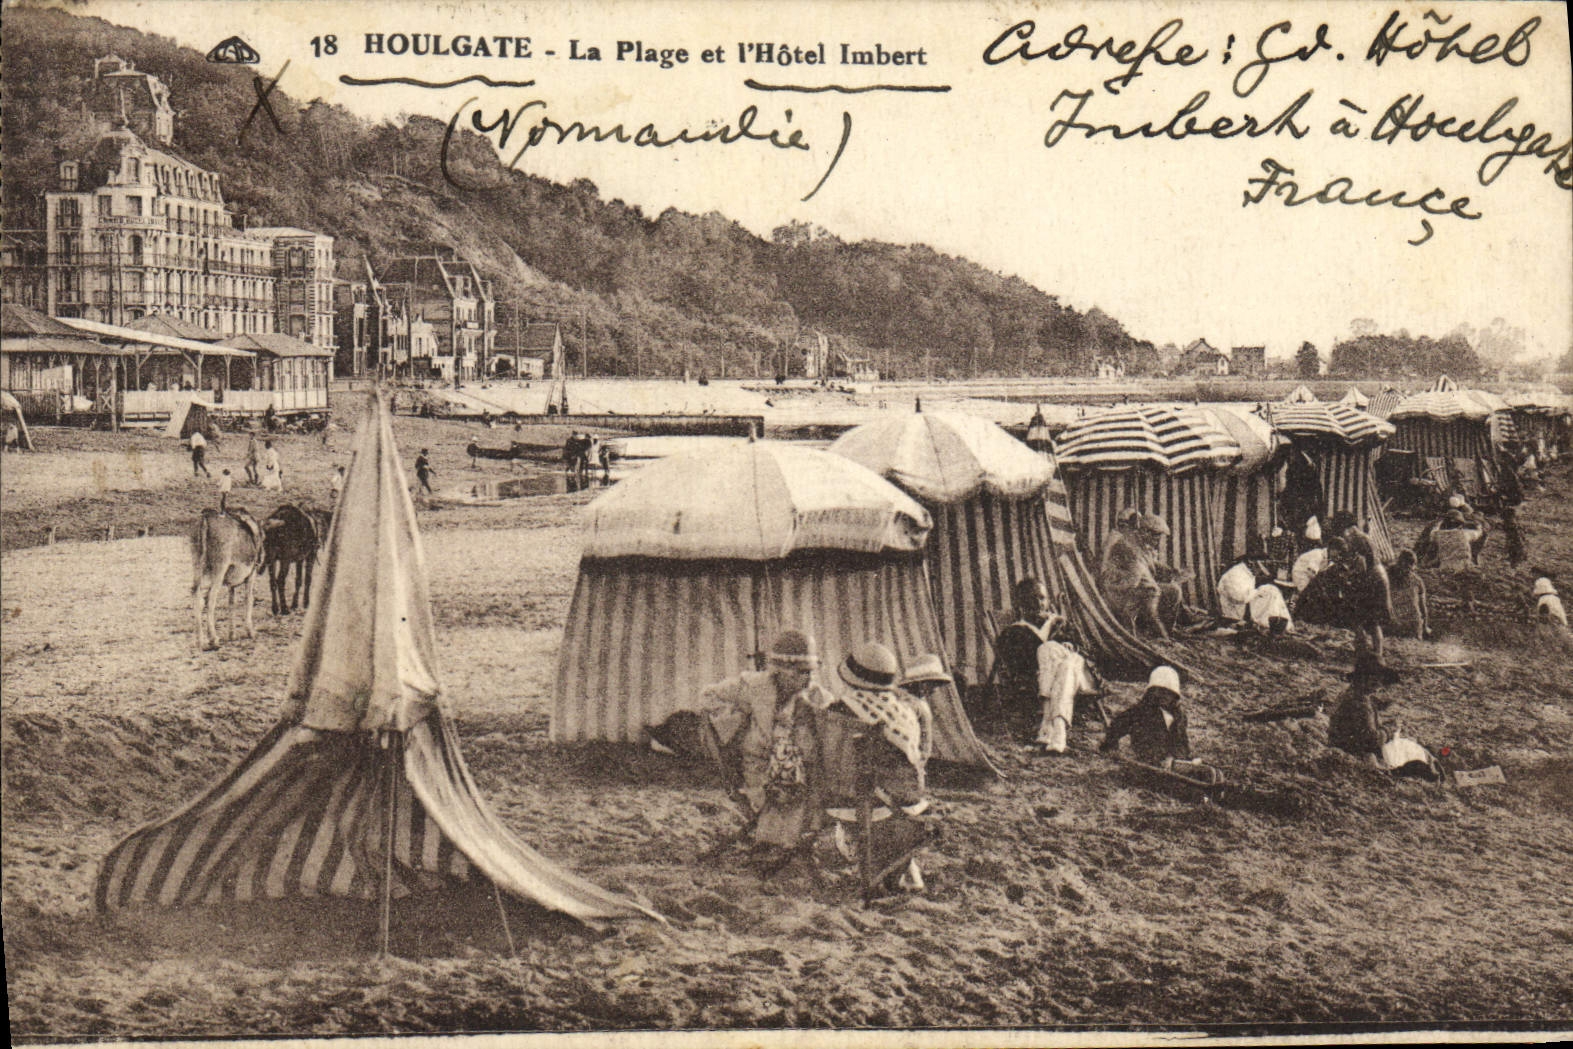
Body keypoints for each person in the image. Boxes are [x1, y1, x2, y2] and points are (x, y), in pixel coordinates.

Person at [701, 630, 833, 857]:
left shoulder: (816, 696)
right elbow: (708, 696)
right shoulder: (754, 686)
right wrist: (736, 720)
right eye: (801, 672)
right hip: (759, 767)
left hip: (801, 769)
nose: (808, 678)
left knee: (813, 789)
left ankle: (783, 845)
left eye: (811, 671)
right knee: (785, 794)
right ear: (781, 670)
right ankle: (777, 845)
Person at [994, 577, 1099, 754]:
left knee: (1050, 650)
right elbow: (1015, 666)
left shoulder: (1061, 623)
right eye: (1031, 598)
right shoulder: (1014, 632)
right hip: (1061, 679)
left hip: (1082, 677)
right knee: (1063, 666)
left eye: (1042, 598)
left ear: (1048, 600)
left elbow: (1089, 653)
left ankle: (1046, 722)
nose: (1038, 603)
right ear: (1020, 602)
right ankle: (1059, 733)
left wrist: (1071, 646)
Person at [1100, 666, 1191, 769]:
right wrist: (1110, 746)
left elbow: (1182, 744)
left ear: (1174, 695)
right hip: (1146, 762)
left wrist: (1174, 758)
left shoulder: (1180, 717)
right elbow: (1116, 726)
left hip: (1172, 764)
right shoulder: (1140, 712)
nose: (1163, 696)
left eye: (1168, 693)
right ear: (1151, 692)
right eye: (1159, 691)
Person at [1433, 509, 1483, 613]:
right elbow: (1479, 533)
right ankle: (1468, 601)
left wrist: (1438, 523)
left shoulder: (1438, 535)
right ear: (1460, 525)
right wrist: (1478, 525)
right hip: (1464, 567)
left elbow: (1433, 532)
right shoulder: (1465, 534)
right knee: (1471, 575)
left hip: (1445, 569)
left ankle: (1465, 600)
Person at [1387, 549, 1430, 641]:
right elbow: (1423, 608)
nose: (1408, 570)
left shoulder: (1417, 581)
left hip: (1407, 624)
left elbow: (1422, 607)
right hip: (1399, 624)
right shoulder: (1387, 578)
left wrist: (1425, 626)